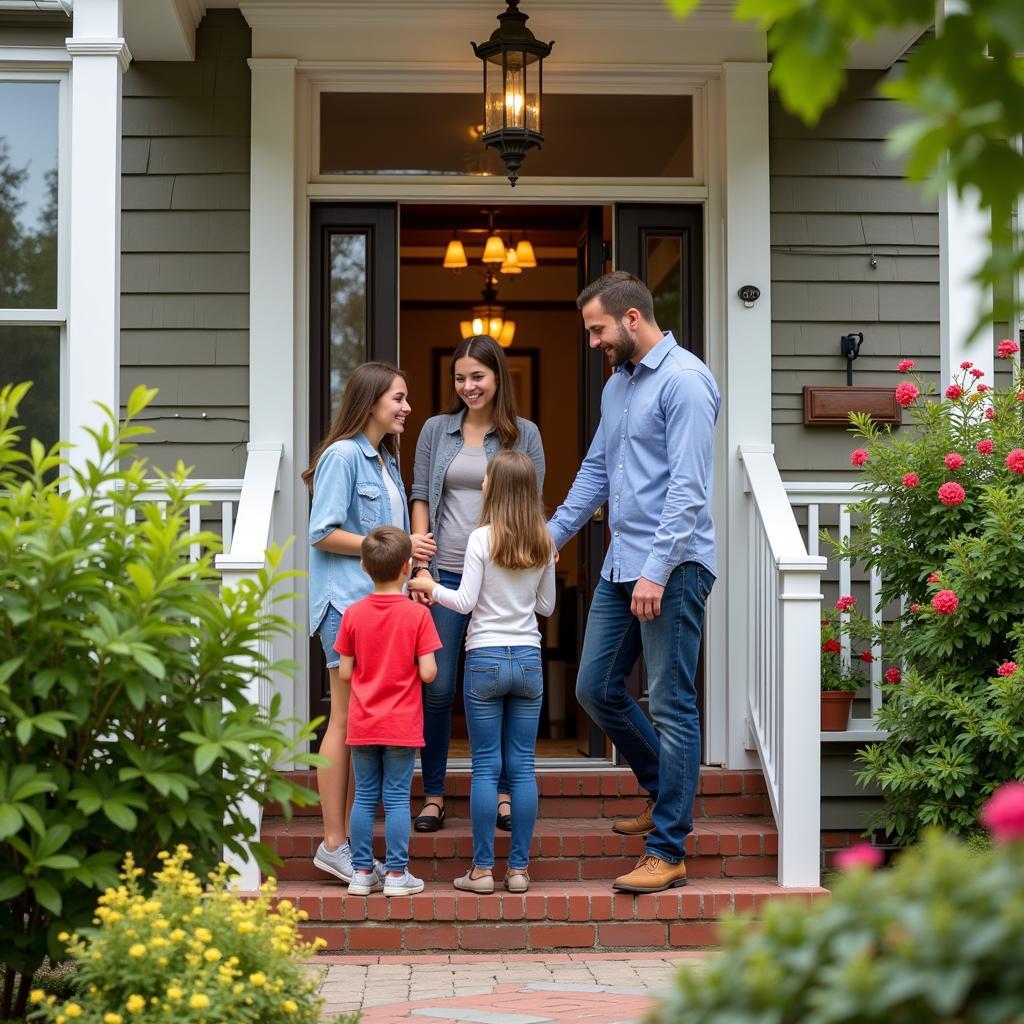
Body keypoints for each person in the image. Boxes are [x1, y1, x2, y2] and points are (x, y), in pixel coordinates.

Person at [547, 271, 720, 895]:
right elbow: (596, 470)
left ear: (629, 319)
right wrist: (549, 537)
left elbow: (689, 488)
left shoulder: (686, 382)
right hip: (624, 565)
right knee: (595, 687)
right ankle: (661, 788)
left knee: (671, 704)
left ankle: (668, 847)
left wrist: (657, 568)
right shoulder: (618, 389)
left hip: (671, 567)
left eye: (596, 330)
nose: (593, 342)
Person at [303, 362, 436, 883]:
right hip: (346, 607)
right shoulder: (343, 455)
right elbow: (322, 532)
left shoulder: (384, 460)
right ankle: (334, 843)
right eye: (398, 399)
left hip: (382, 608)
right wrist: (393, 546)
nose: (406, 407)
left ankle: (348, 846)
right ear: (372, 400)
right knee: (344, 721)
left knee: (362, 724)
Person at [409, 335, 545, 834]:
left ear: (497, 378)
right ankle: (436, 793)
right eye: (460, 378)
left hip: (500, 573)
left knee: (504, 689)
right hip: (443, 572)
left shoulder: (522, 433)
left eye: (478, 377)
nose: (468, 386)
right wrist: (420, 560)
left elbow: (532, 498)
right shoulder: (435, 430)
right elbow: (420, 492)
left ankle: (506, 793)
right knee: (439, 687)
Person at [409, 451, 555, 893]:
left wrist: (430, 586)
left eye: (488, 477)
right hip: (528, 659)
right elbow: (546, 606)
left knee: (486, 768)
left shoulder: (480, 539)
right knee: (523, 768)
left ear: (495, 487)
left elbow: (466, 602)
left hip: (486, 660)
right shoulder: (544, 540)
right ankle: (519, 871)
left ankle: (481, 871)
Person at [338, 527, 442, 896]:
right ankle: (397, 875)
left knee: (365, 796)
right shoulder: (417, 616)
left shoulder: (352, 614)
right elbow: (429, 672)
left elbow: (346, 672)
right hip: (401, 723)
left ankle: (363, 872)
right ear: (407, 566)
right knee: (397, 798)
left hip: (363, 721)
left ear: (364, 567)